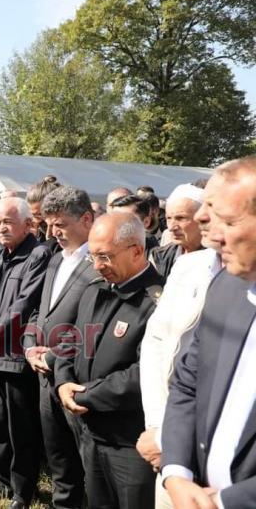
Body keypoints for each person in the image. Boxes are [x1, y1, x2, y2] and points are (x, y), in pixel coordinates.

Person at [161, 157, 256, 509]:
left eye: (228, 222)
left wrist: (227, 501)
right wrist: (177, 471)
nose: (213, 235)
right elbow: (187, 383)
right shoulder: (224, 289)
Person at [55, 211, 163, 509]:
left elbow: (146, 373)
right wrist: (63, 381)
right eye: (93, 257)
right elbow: (71, 341)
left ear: (137, 251)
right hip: (91, 432)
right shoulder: (95, 290)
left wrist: (87, 394)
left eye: (105, 257)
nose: (98, 266)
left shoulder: (157, 302)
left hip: (129, 441)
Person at [137, 173, 224, 508]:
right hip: (169, 437)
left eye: (214, 210)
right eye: (169, 217)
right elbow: (157, 345)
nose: (202, 218)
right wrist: (160, 429)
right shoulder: (188, 266)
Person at [0, 197, 51, 506]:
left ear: (27, 224)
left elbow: (26, 302)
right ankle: (2, 478)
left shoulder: (38, 254)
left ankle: (23, 489)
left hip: (17, 356)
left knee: (21, 428)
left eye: (7, 221)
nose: (1, 227)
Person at [23, 186, 97, 509]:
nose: (53, 232)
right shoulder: (54, 260)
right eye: (49, 224)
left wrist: (52, 354)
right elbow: (41, 311)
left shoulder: (99, 264)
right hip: (44, 375)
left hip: (78, 377)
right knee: (57, 455)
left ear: (86, 219)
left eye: (61, 225)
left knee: (86, 458)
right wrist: (29, 345)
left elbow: (91, 325)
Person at [149, 183, 204, 279]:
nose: (171, 227)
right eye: (169, 218)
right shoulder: (159, 257)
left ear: (202, 219)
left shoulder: (220, 260)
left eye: (181, 218)